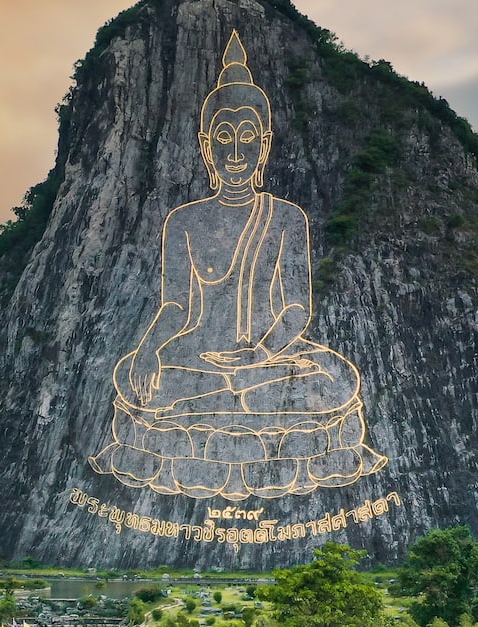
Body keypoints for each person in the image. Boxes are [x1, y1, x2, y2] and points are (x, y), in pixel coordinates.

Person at [90, 32, 385, 501]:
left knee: (334, 379)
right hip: (199, 360)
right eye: (223, 138)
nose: (235, 152)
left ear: (263, 144)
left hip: (269, 361)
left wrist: (260, 355)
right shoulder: (183, 220)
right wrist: (148, 349)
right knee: (136, 374)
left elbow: (295, 308)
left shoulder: (287, 216)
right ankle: (236, 407)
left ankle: (231, 408)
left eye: (247, 137)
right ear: (206, 146)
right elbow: (177, 305)